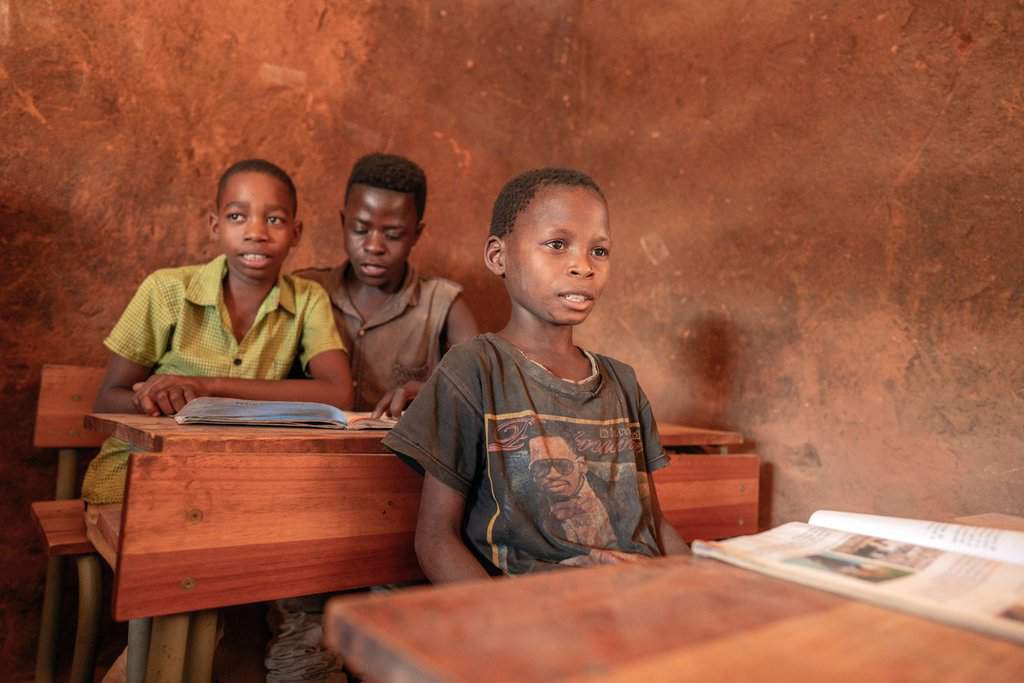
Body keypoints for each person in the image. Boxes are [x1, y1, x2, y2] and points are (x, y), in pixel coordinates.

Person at [383, 167, 689, 581]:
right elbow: (436, 539)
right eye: (558, 245)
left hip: (637, 599)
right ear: (498, 256)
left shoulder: (623, 383)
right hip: (537, 615)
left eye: (599, 251)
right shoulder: (475, 369)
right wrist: (507, 629)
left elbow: (654, 524)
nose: (583, 266)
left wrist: (696, 584)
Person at [82, 157, 352, 512]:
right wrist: (155, 397)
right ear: (215, 225)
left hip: (236, 485)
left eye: (274, 219)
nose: (256, 232)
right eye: (237, 216)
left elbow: (339, 394)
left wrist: (207, 387)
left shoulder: (306, 299)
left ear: (296, 233)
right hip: (137, 480)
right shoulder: (167, 290)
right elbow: (106, 400)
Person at [294, 153, 477, 417]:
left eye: (393, 235)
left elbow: (483, 391)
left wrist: (435, 393)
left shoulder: (443, 304)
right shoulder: (305, 290)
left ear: (416, 234)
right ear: (343, 222)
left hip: (396, 455)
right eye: (360, 229)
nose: (374, 246)